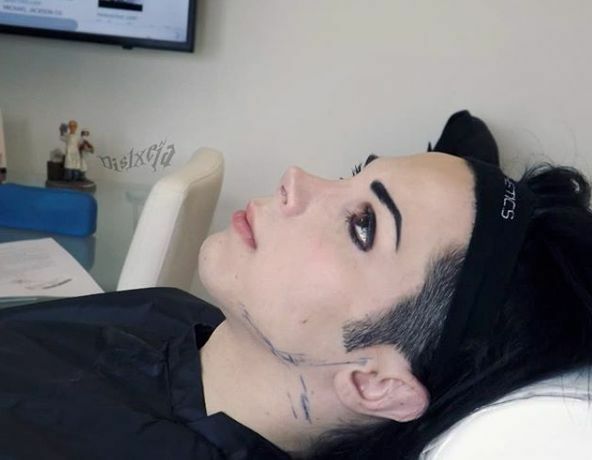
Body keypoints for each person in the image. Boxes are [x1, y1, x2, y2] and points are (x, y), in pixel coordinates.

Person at [1, 124, 592, 459]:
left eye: (362, 226)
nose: (296, 180)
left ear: (374, 382)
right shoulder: (180, 316)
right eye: (352, 174)